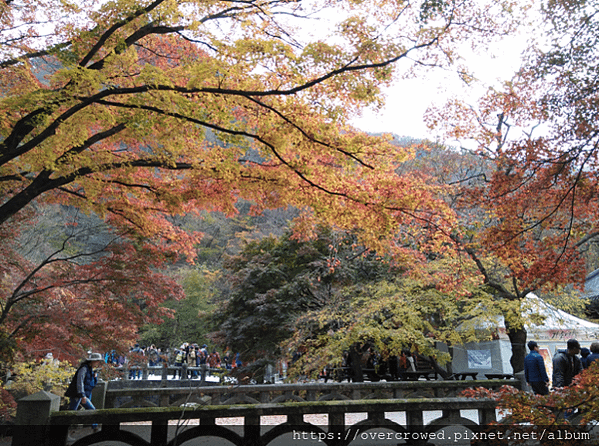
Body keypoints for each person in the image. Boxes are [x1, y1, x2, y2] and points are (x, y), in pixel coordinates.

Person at [65, 352, 103, 431]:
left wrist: (95, 377)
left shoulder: (90, 370)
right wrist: (82, 395)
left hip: (83, 394)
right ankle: (65, 431)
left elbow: (92, 384)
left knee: (91, 410)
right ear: (93, 361)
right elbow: (80, 382)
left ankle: (95, 427)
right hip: (77, 394)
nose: (98, 363)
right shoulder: (84, 368)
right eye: (97, 361)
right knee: (72, 413)